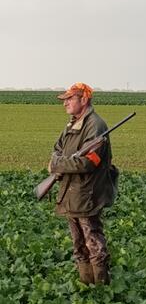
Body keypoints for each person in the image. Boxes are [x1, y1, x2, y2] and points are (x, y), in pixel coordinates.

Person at [48, 82, 117, 285]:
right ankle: (86, 283)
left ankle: (101, 288)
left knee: (93, 243)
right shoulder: (72, 124)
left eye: (70, 99)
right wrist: (58, 163)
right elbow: (57, 149)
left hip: (87, 194)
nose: (65, 103)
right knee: (78, 244)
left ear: (84, 100)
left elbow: (89, 162)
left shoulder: (96, 126)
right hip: (71, 193)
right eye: (65, 99)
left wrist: (58, 164)